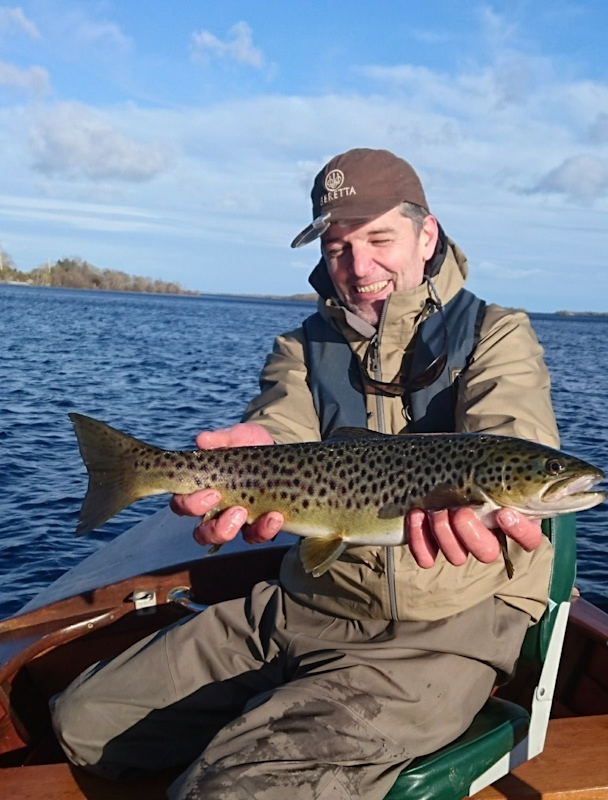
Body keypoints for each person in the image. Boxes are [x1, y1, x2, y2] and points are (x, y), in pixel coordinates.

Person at [51, 148, 559, 800]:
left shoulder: (495, 333)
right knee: (82, 719)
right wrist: (251, 447)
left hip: (441, 630)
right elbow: (277, 426)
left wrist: (514, 473)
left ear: (426, 233)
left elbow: (515, 429)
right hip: (301, 605)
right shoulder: (300, 346)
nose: (358, 267)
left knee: (228, 791)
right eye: (338, 248)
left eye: (379, 240)